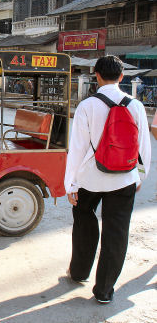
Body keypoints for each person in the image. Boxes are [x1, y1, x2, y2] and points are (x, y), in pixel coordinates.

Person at [64, 55, 151, 304]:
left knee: (83, 220)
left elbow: (77, 148)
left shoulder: (87, 106)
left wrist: (71, 184)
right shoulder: (135, 105)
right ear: (122, 77)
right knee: (116, 232)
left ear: (97, 76)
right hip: (124, 179)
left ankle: (79, 272)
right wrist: (140, 176)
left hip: (89, 179)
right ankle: (104, 291)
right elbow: (143, 147)